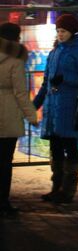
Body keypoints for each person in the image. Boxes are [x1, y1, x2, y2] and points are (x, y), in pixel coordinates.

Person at [33, 14, 78, 205]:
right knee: (55, 148)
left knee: (70, 146)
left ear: (72, 32)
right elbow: (45, 83)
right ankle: (55, 189)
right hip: (53, 107)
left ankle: (68, 191)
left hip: (69, 106)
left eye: (64, 31)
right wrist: (34, 105)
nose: (60, 34)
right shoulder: (54, 52)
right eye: (58, 31)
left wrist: (67, 79)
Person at [0, 22, 38, 217]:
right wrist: (32, 116)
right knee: (5, 161)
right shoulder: (16, 60)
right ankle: (3, 201)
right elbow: (21, 93)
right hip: (8, 115)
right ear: (16, 39)